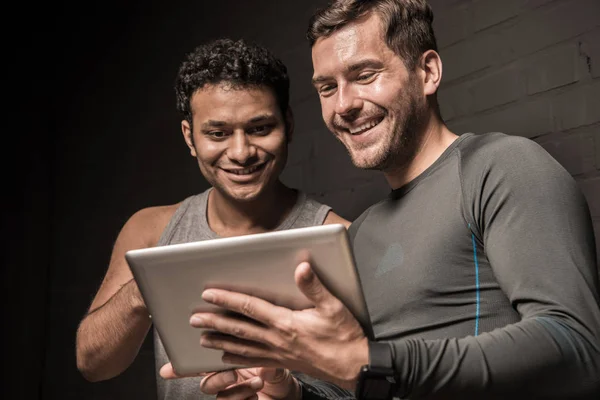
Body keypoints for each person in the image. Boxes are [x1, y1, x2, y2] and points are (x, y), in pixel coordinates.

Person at [160, 1, 600, 399]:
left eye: (364, 75)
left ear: (427, 72)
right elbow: (361, 388)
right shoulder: (362, 230)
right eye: (327, 88)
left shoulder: (501, 168)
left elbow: (576, 346)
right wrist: (287, 391)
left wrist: (374, 362)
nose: (344, 105)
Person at [75, 38, 349, 400]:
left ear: (289, 125)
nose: (241, 152)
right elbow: (92, 364)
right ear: (190, 137)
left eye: (260, 128)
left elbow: (368, 384)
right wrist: (148, 287)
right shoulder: (151, 230)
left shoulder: (339, 237)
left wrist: (291, 393)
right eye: (218, 133)